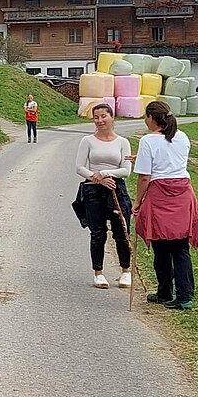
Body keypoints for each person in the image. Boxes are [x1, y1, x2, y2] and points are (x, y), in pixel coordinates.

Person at [134, 100, 198, 310]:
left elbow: (145, 177)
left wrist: (137, 201)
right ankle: (184, 295)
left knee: (161, 245)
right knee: (180, 247)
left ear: (151, 118)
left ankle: (166, 291)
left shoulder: (148, 141)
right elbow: (172, 161)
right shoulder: (182, 137)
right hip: (183, 193)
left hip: (160, 194)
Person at [74, 103, 132, 289]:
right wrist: (97, 178)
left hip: (116, 188)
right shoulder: (88, 141)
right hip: (93, 189)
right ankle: (98, 273)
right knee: (98, 233)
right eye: (96, 117)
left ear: (112, 117)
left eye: (103, 116)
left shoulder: (122, 142)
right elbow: (80, 167)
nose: (99, 121)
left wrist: (106, 173)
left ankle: (126, 271)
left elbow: (126, 170)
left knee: (121, 232)